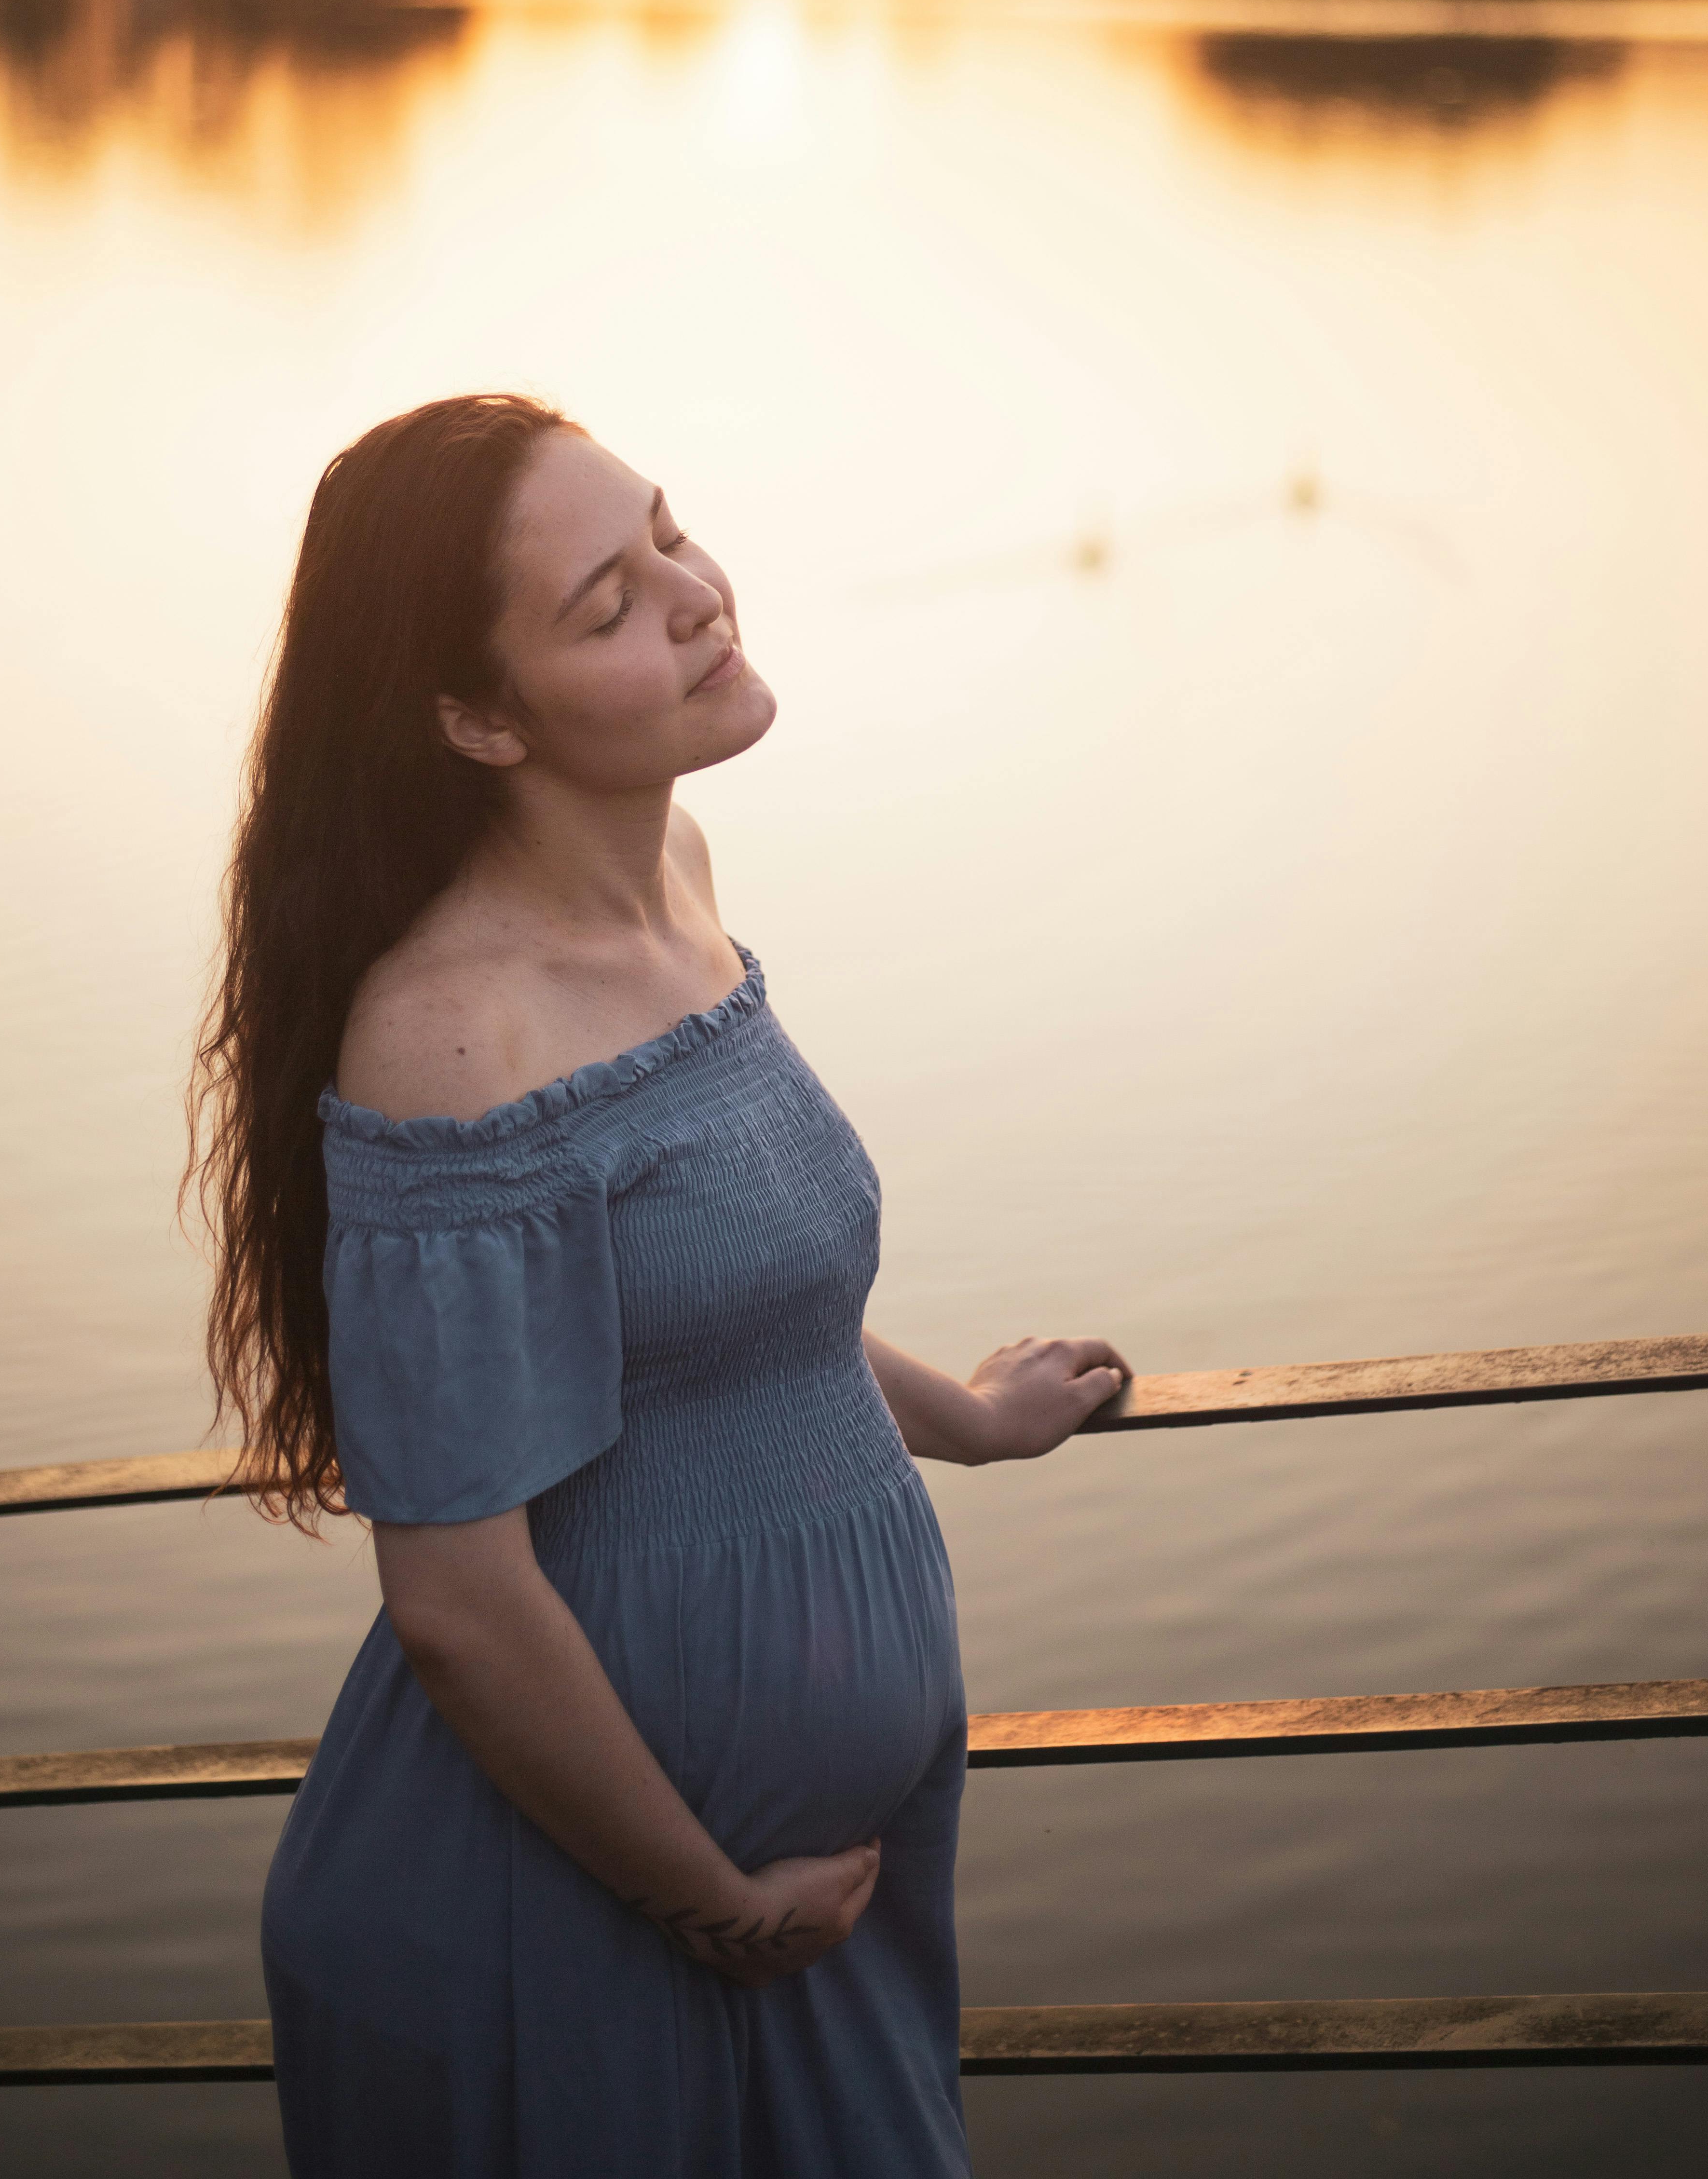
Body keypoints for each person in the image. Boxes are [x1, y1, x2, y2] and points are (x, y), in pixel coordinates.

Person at [188, 391, 1130, 2177]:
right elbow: (459, 1599)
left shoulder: (677, 884)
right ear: (475, 718)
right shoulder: (455, 1038)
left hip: (803, 1889)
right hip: (582, 1918)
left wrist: (976, 1423)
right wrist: (708, 1900)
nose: (696, 597)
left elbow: (727, 1308)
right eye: (606, 606)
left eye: (670, 536)